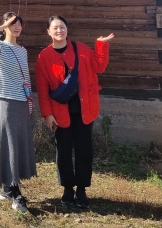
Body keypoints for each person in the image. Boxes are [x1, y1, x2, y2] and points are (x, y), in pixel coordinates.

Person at [35, 15, 114, 209]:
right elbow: (42, 88)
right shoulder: (44, 57)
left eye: (62, 27)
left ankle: (82, 190)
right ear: (48, 31)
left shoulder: (81, 49)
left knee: (84, 151)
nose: (59, 30)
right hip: (60, 113)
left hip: (85, 111)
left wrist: (101, 45)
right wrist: (47, 114)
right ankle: (67, 189)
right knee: (63, 152)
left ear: (67, 29)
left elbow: (99, 66)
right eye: (55, 28)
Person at [0, 12, 37, 215]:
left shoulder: (22, 50)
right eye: (13, 24)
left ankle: (7, 188)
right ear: (6, 25)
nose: (16, 27)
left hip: (22, 101)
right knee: (9, 143)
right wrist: (3, 24)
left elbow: (25, 78)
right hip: (6, 101)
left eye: (19, 24)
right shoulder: (0, 46)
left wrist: (29, 99)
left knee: (18, 142)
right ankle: (15, 194)